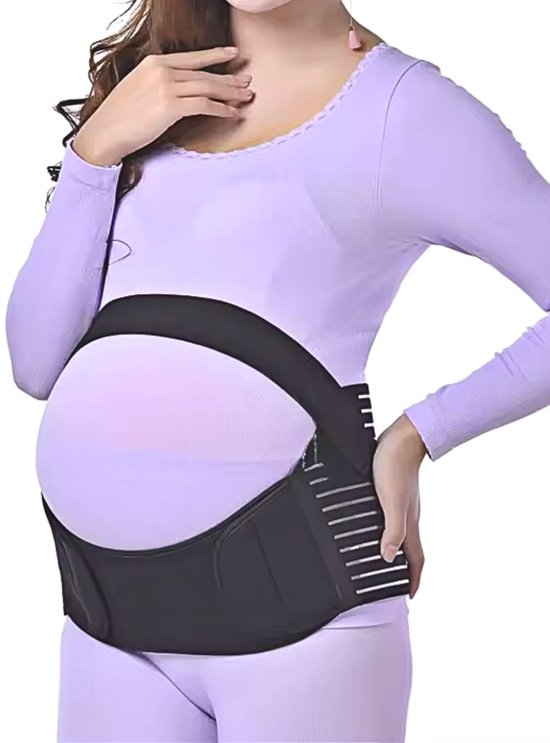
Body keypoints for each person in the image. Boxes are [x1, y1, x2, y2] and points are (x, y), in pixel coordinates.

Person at [5, 0, 550, 741]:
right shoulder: (150, 92)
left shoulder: (406, 111)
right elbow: (35, 363)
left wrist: (419, 434)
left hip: (303, 620)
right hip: (109, 620)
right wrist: (93, 153)